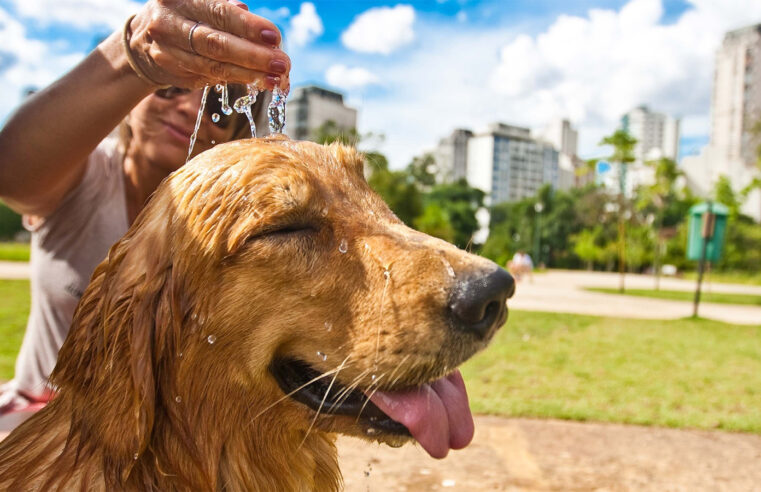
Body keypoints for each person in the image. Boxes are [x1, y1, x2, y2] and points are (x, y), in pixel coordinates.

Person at [0, 0, 291, 428]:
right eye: (171, 86)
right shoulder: (86, 175)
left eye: (217, 108)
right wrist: (133, 55)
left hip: (161, 446)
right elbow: (12, 174)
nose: (191, 110)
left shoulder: (237, 230)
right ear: (132, 98)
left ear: (234, 136)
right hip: (36, 425)